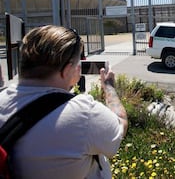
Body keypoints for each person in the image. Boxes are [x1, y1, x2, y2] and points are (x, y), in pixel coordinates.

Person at [0, 25, 128, 179]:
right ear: (67, 70)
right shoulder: (83, 112)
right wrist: (109, 87)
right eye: (77, 64)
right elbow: (120, 125)